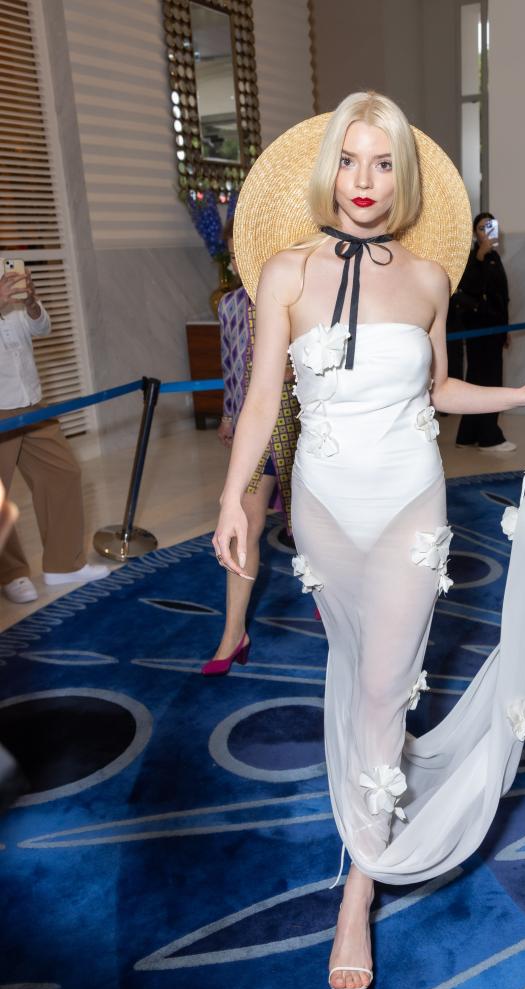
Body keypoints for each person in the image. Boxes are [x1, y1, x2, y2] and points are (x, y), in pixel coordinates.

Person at [212, 92, 525, 989]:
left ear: (401, 178)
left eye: (382, 163)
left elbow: (440, 389)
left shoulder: (427, 279)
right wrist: (232, 499)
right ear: (327, 168)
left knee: (383, 683)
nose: (364, 181)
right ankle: (379, 786)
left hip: (413, 502)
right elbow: (263, 403)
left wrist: (520, 395)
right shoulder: (283, 274)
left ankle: (358, 884)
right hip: (326, 513)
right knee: (360, 666)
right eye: (349, 160)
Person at [202, 221, 300, 675]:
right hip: (255, 429)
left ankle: (332, 594)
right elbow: (229, 365)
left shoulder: (297, 299)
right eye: (233, 256)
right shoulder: (229, 306)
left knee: (312, 523)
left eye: (248, 253)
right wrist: (228, 414)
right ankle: (233, 632)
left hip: (303, 425)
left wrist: (290, 373)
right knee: (246, 522)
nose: (241, 264)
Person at [0, 264, 108, 603]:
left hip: (31, 398)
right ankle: (11, 574)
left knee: (62, 473)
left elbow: (42, 328)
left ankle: (63, 564)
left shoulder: (6, 272)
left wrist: (31, 303)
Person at [452, 213, 516, 452]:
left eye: (492, 226)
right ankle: (489, 437)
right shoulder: (473, 259)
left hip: (495, 330)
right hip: (479, 329)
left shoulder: (494, 258)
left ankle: (467, 435)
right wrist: (478, 257)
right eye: (482, 228)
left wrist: (506, 329)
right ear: (474, 234)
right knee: (486, 381)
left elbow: (502, 298)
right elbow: (470, 288)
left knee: (481, 380)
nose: (488, 231)